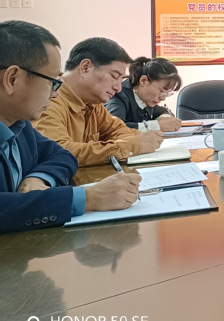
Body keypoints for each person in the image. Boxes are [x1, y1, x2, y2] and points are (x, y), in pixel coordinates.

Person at [0, 21, 141, 233]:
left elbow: (62, 155)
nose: (55, 93)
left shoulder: (19, 125)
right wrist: (89, 198)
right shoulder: (29, 115)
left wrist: (39, 177)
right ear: (12, 79)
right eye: (52, 81)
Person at [33, 37, 163, 166]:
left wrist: (134, 142)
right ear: (86, 67)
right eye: (114, 76)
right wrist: (132, 146)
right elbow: (59, 152)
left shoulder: (92, 103)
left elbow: (118, 130)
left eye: (121, 79)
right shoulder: (48, 102)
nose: (118, 88)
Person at [105, 56, 182, 131]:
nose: (162, 98)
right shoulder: (117, 97)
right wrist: (156, 126)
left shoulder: (145, 100)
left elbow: (162, 111)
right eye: (161, 91)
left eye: (166, 94)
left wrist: (164, 119)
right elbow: (114, 129)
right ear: (144, 81)